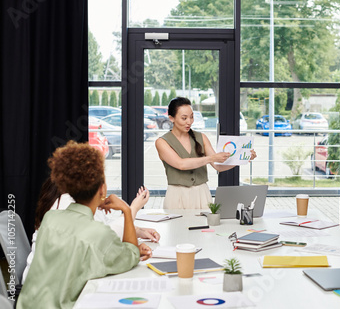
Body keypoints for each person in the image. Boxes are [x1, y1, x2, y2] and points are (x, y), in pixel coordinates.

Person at [17, 141, 152, 309]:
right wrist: (125, 209)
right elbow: (131, 256)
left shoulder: (51, 218)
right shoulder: (98, 234)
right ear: (102, 190)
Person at [21, 179, 160, 283]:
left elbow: (104, 231)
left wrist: (136, 231)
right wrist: (131, 209)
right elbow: (105, 238)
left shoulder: (69, 199)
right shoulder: (67, 202)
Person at [155, 97, 256, 209]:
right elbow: (181, 164)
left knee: (204, 226)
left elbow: (218, 166)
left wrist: (242, 158)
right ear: (171, 118)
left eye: (191, 117)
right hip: (176, 195)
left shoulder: (201, 137)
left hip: (202, 193)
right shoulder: (162, 142)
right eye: (184, 118)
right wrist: (211, 158)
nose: (189, 122)